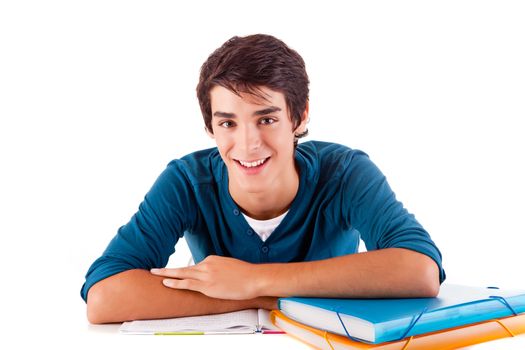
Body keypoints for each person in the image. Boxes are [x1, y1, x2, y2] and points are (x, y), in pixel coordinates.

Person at [81, 34, 446, 324]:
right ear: (210, 127)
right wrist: (255, 297)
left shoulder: (345, 172)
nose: (248, 144)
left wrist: (255, 279)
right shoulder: (187, 181)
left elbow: (421, 270)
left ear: (299, 118)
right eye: (228, 123)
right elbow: (104, 296)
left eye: (266, 119)